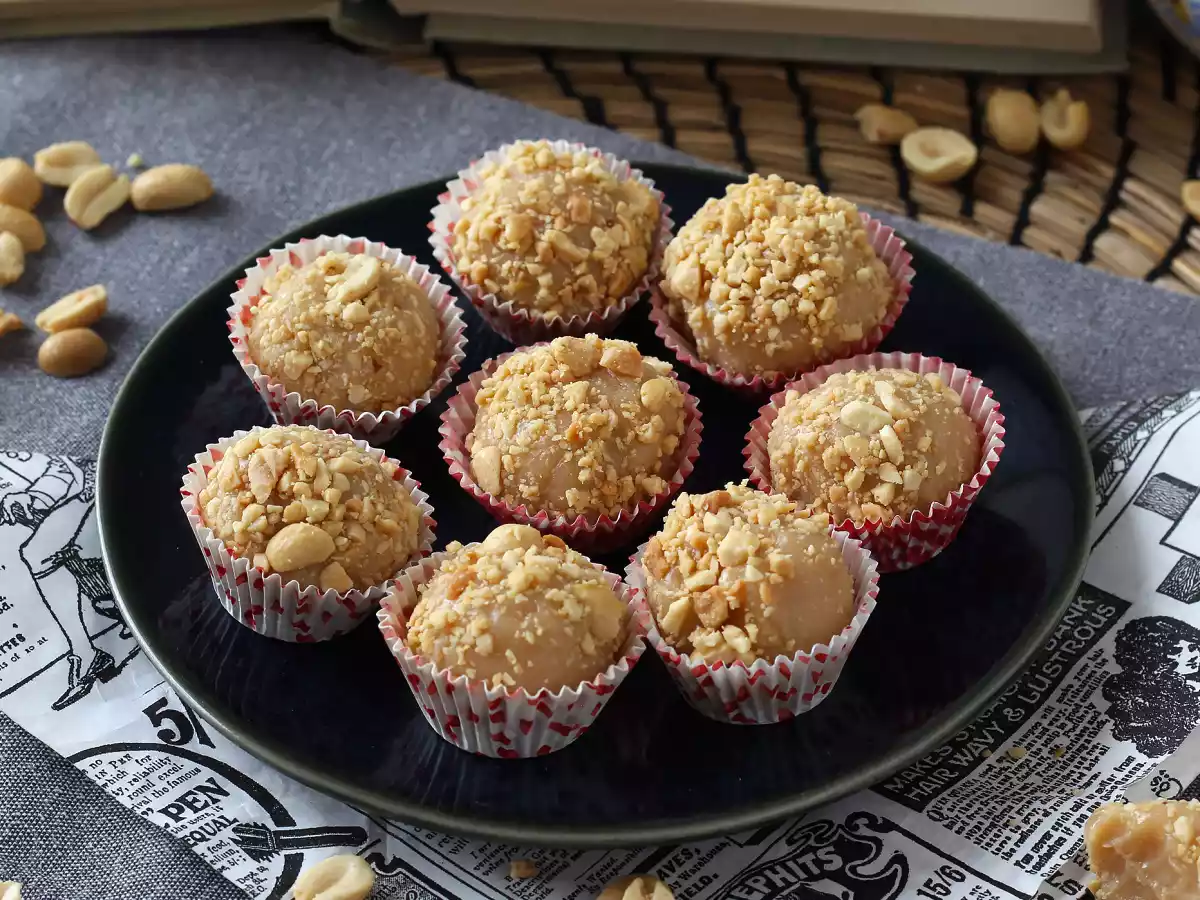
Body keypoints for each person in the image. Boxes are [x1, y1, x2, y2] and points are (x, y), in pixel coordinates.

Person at [0, 454, 119, 710]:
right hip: (84, 488)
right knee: (38, 552)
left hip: (104, 482)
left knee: (37, 553)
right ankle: (89, 650)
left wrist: (37, 496)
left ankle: (88, 652)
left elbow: (72, 467)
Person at [1104, 615, 1200, 758]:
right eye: (1176, 651)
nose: (1191, 655)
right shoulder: (1142, 694)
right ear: (1152, 657)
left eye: (1192, 647)